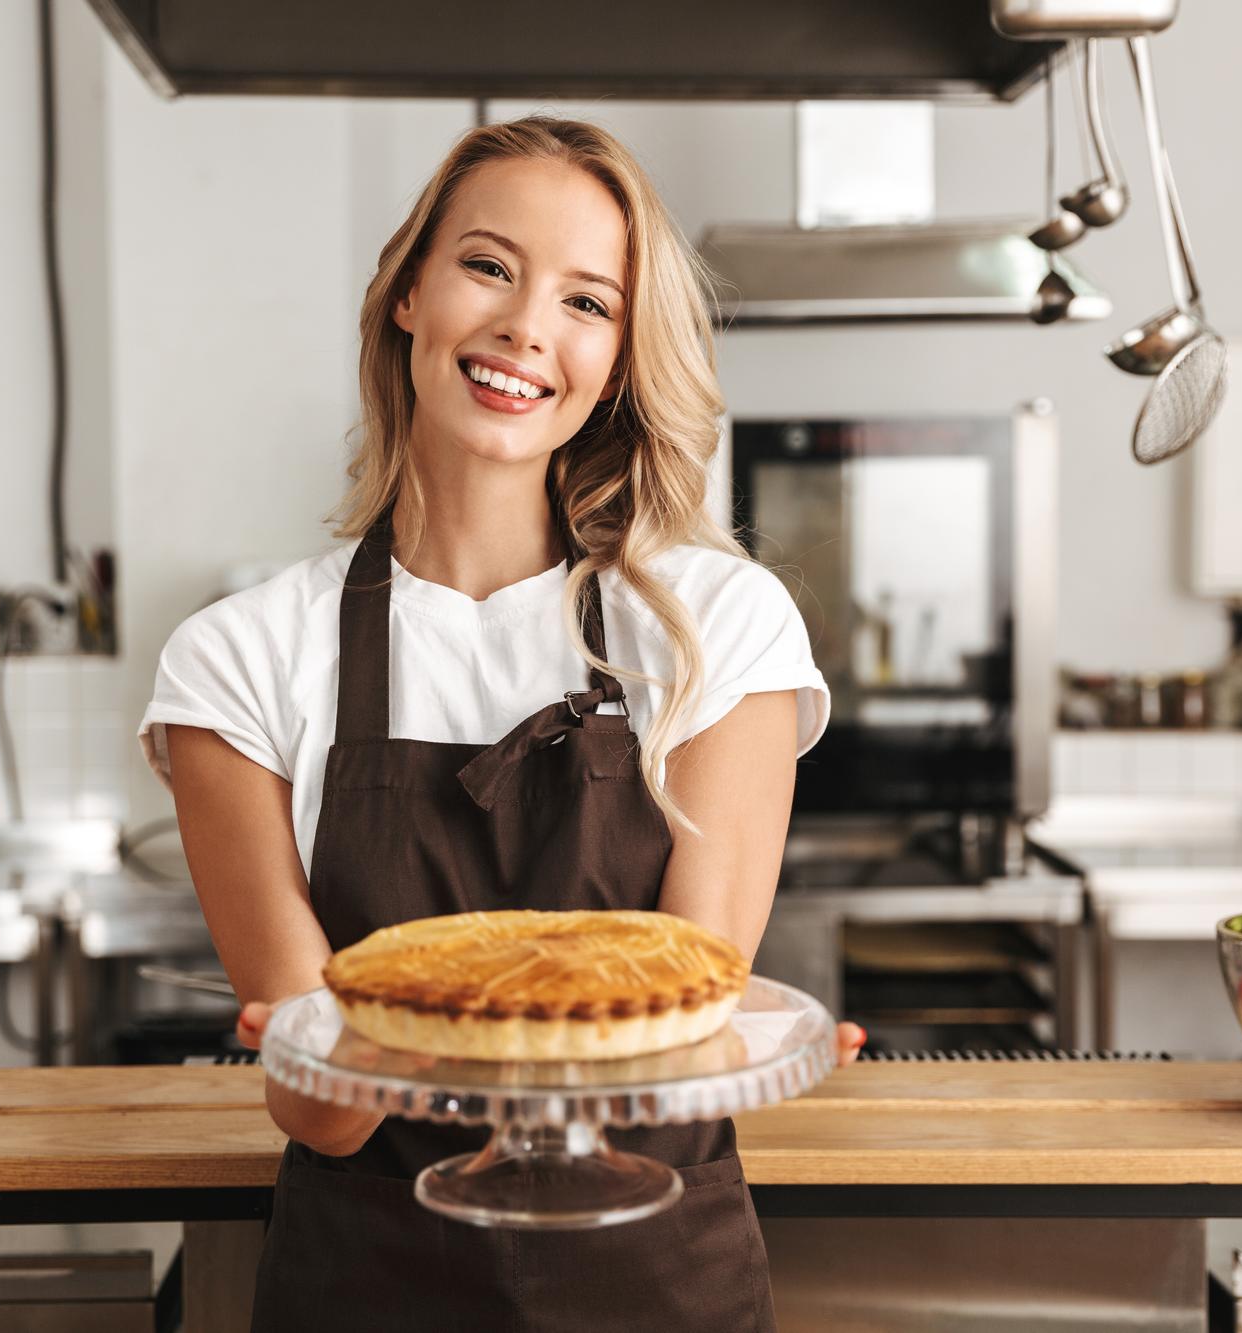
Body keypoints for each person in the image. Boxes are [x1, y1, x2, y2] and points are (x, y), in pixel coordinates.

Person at [138, 114, 861, 1331]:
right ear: (408, 290)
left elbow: (688, 1018)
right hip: (367, 1287)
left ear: (623, 355)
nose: (528, 325)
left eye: (587, 300)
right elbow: (325, 1112)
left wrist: (376, 1035)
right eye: (487, 266)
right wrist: (334, 1059)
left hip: (657, 1281)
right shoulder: (236, 660)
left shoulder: (717, 625)